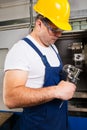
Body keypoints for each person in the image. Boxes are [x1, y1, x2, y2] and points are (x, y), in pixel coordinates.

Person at [3, 0, 76, 130]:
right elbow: (10, 98)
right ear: (39, 24)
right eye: (54, 30)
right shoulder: (21, 50)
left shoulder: (53, 48)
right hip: (37, 125)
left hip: (59, 123)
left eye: (61, 31)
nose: (58, 35)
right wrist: (56, 91)